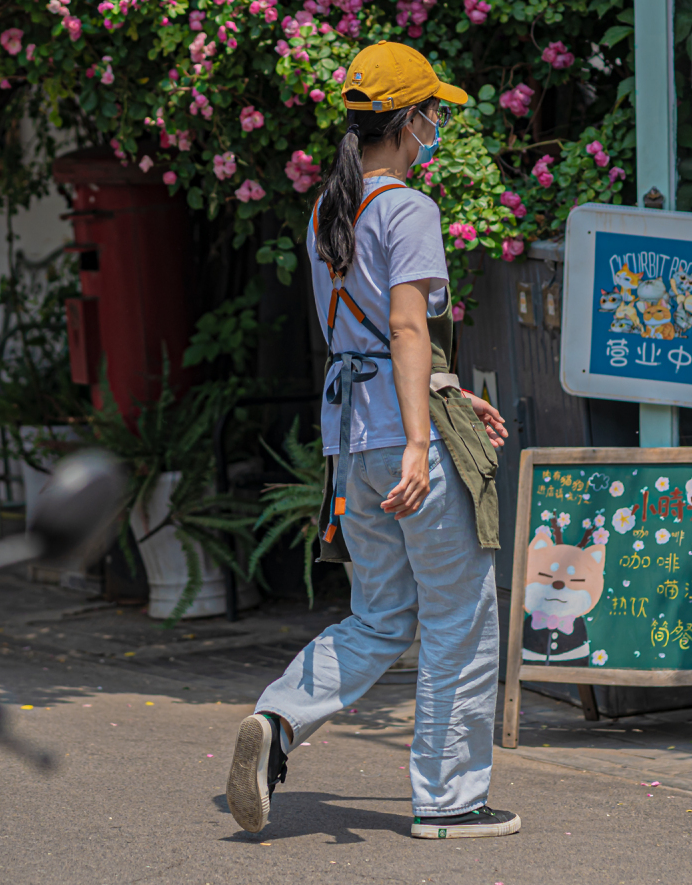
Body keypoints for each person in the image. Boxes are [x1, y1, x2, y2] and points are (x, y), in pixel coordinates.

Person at [225, 41, 517, 841]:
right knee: (459, 617)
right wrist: (423, 440)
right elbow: (405, 326)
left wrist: (446, 392)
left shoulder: (329, 210)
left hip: (350, 439)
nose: (438, 127)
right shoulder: (408, 208)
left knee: (382, 615)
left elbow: (366, 337)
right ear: (411, 119)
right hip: (404, 437)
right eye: (434, 114)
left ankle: (278, 719)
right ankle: (450, 800)